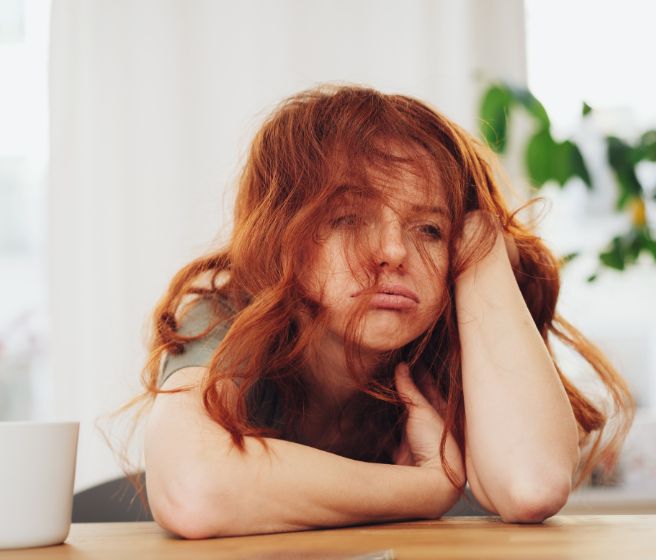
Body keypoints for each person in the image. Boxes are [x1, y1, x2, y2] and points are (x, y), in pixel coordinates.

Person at [119, 85, 634, 539]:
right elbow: (194, 490)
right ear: (282, 238)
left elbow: (532, 484)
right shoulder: (227, 314)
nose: (393, 251)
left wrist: (481, 241)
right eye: (348, 218)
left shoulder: (452, 332)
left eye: (429, 229)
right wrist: (425, 487)